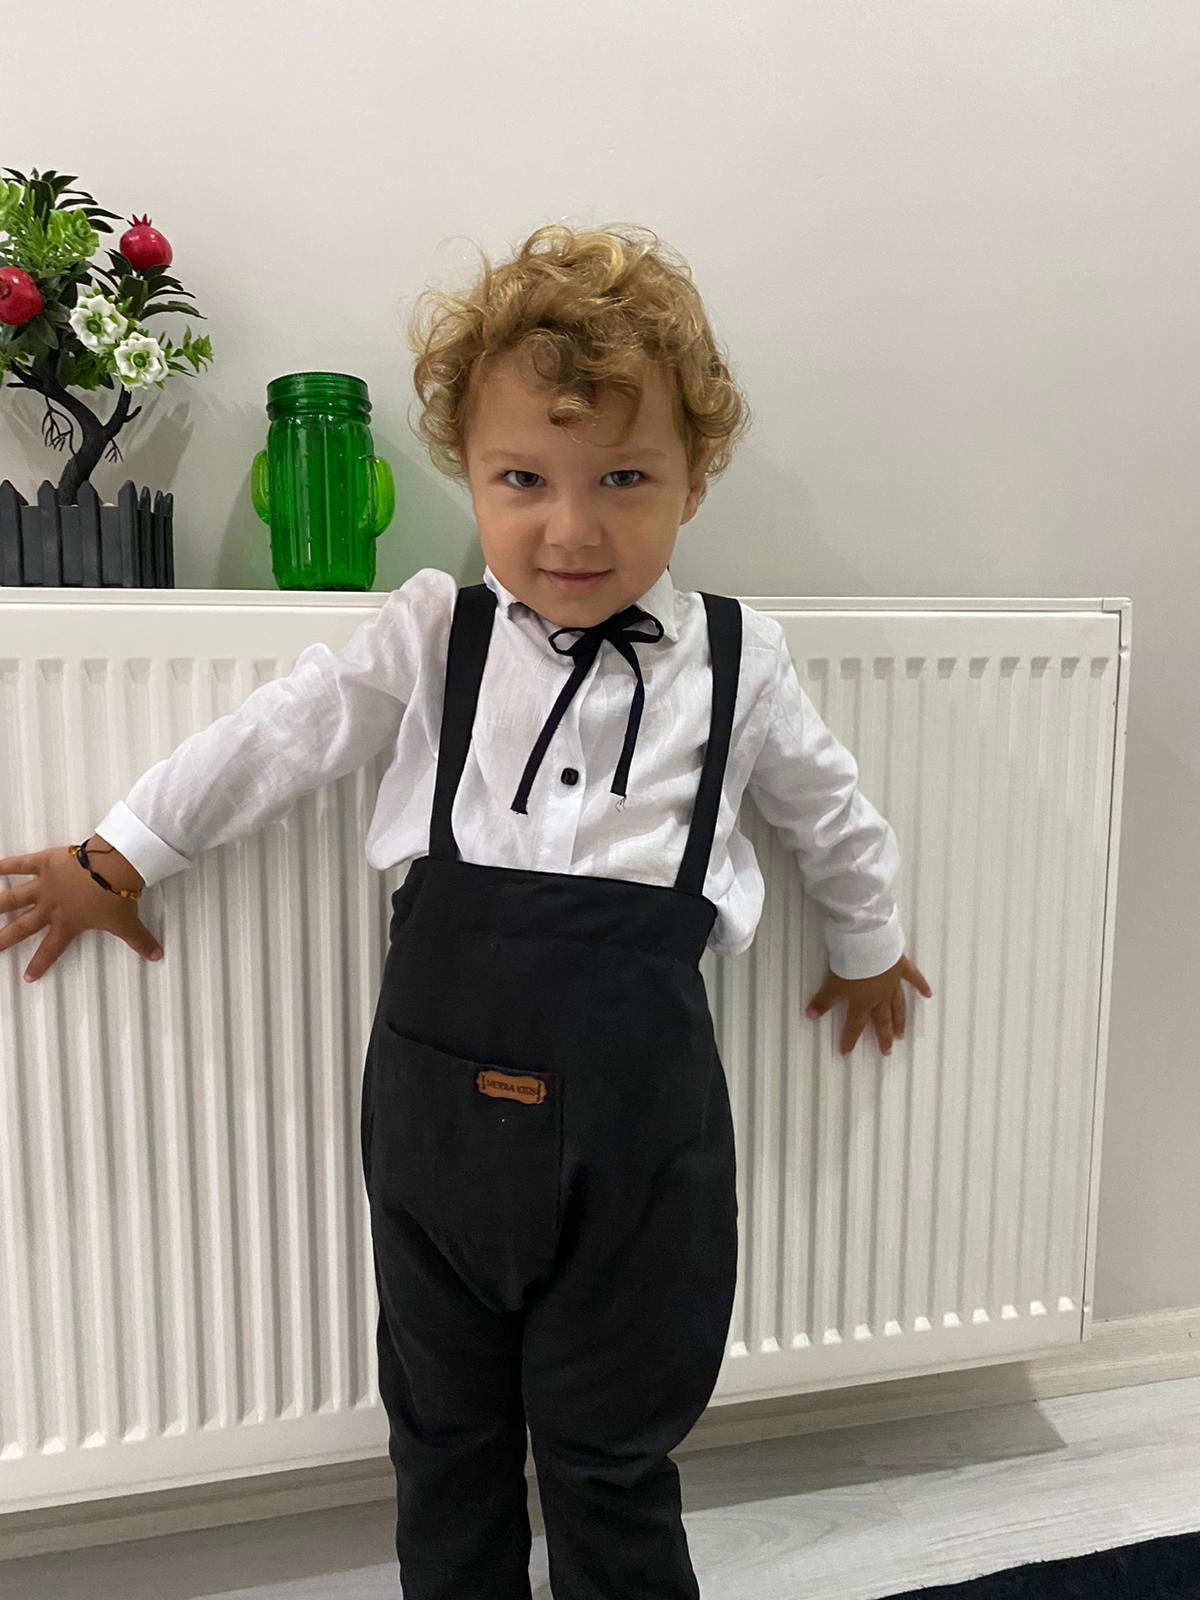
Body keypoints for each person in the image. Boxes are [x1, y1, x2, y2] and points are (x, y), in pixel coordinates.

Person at [0, 221, 932, 1598]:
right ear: (469, 474)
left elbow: (831, 813)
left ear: (693, 478)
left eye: (624, 477)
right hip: (438, 1126)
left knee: (615, 1444)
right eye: (524, 479)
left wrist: (867, 945)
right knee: (445, 1434)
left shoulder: (742, 663)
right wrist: (123, 852)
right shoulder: (438, 631)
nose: (573, 527)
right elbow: (282, 735)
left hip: (642, 1133)